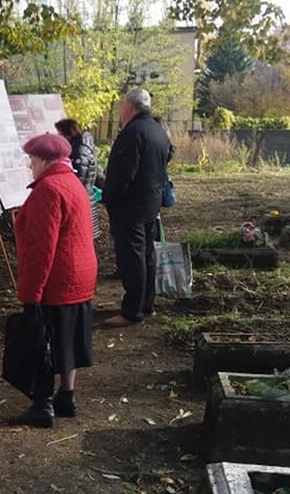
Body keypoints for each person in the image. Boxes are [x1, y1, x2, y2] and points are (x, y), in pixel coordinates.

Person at [11, 133, 97, 428]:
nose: (30, 166)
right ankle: (67, 396)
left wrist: (32, 292)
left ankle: (42, 404)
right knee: (68, 339)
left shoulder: (47, 190)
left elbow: (41, 247)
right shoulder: (73, 183)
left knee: (43, 341)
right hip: (81, 276)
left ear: (45, 161)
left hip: (58, 279)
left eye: (32, 160)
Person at [102, 88, 172, 327]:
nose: (120, 111)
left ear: (129, 107)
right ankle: (146, 304)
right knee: (147, 254)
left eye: (122, 106)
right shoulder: (157, 130)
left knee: (133, 257)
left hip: (130, 205)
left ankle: (132, 310)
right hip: (151, 201)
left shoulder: (133, 133)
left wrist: (110, 198)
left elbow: (122, 174)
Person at [54, 118, 101, 241]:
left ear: (67, 134)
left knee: (81, 242)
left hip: (82, 203)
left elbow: (77, 180)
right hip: (85, 200)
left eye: (60, 134)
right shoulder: (79, 148)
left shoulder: (80, 152)